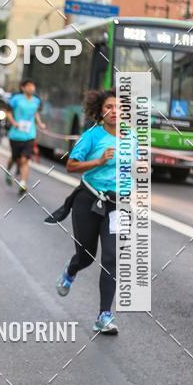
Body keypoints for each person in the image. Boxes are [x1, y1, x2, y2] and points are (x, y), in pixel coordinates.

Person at [55, 88, 123, 335]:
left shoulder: (133, 138)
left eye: (119, 107)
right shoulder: (92, 136)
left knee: (111, 258)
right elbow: (71, 165)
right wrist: (98, 162)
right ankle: (71, 270)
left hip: (116, 205)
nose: (114, 111)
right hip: (88, 200)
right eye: (109, 107)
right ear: (100, 111)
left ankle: (104, 316)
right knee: (87, 255)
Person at [6, 79, 45, 192]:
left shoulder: (36, 101)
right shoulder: (16, 99)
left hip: (30, 135)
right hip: (16, 135)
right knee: (14, 158)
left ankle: (23, 183)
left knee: (25, 159)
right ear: (23, 88)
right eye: (28, 86)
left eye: (33, 86)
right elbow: (8, 112)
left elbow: (35, 113)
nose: (31, 88)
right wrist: (14, 122)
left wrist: (40, 123)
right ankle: (8, 171)